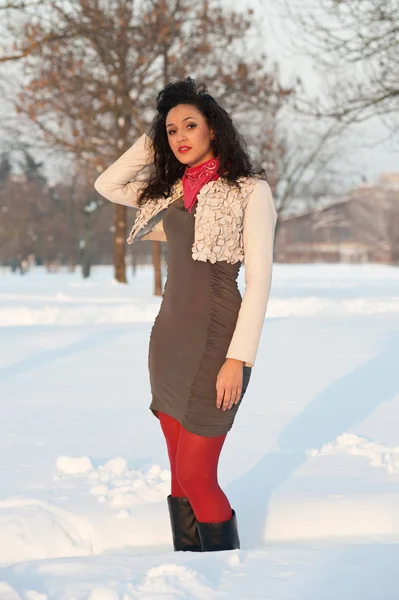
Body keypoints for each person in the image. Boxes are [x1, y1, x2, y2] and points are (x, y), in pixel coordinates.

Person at [94, 78, 277, 553]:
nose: (180, 136)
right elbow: (107, 184)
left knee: (198, 475)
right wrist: (154, 136)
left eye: (190, 125)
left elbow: (259, 284)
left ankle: (225, 573)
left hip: (219, 341)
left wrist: (239, 359)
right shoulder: (167, 191)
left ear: (213, 129)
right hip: (168, 340)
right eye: (171, 129)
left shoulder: (249, 191)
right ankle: (191, 574)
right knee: (178, 474)